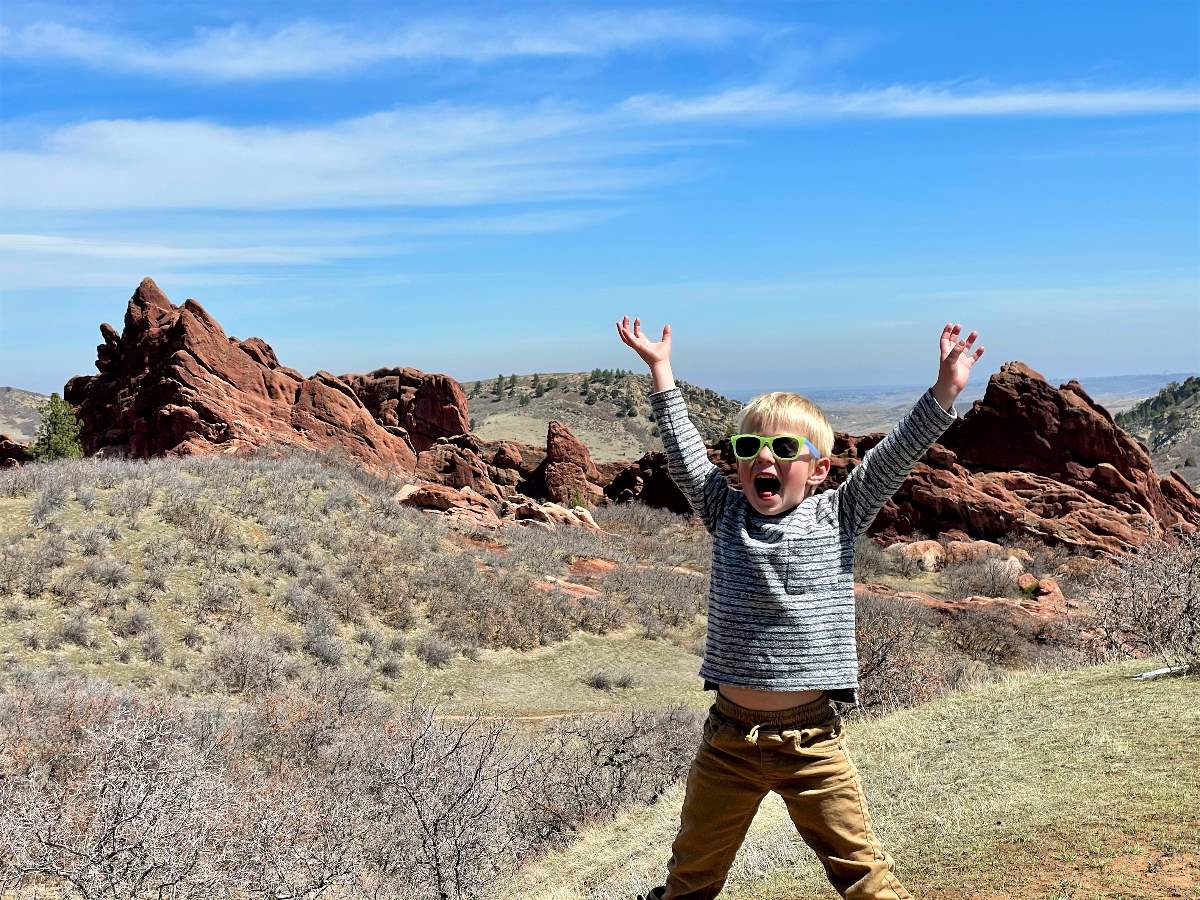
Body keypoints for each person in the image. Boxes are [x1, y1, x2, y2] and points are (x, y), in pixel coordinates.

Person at [616, 316, 984, 900]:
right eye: (749, 448)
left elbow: (894, 456)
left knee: (862, 874)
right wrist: (661, 370)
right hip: (728, 741)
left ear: (816, 471)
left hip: (810, 739)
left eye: (784, 448)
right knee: (690, 877)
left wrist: (944, 392)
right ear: (737, 465)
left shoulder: (838, 515)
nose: (765, 458)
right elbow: (685, 454)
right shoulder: (725, 512)